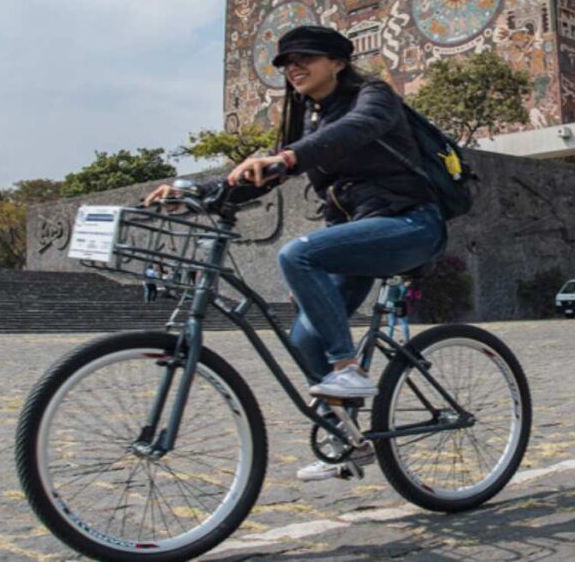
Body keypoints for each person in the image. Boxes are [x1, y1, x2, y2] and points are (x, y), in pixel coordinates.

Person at [145, 25, 447, 481]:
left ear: (338, 63)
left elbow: (356, 130)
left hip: (410, 223)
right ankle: (346, 440)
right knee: (305, 338)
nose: (293, 68)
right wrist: (195, 193)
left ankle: (347, 368)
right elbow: (261, 176)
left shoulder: (374, 96)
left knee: (297, 254)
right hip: (355, 236)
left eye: (305, 57)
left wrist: (288, 158)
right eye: (286, 62)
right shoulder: (308, 120)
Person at [386, 278, 411, 343]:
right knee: (404, 322)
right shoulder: (402, 288)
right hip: (398, 304)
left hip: (389, 304)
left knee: (391, 322)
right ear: (404, 282)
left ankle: (388, 339)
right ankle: (407, 339)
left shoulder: (391, 287)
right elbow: (401, 298)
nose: (409, 284)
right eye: (408, 282)